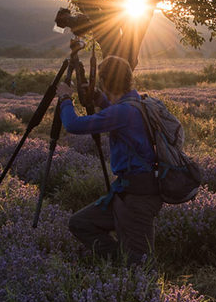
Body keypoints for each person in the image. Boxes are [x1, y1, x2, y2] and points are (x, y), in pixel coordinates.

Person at [57, 55, 162, 265]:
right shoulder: (139, 102)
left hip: (138, 196)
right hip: (128, 193)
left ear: (105, 82)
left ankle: (130, 275)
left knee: (140, 263)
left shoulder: (125, 111)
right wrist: (98, 97)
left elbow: (73, 125)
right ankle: (120, 265)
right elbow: (118, 113)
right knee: (81, 223)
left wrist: (65, 99)